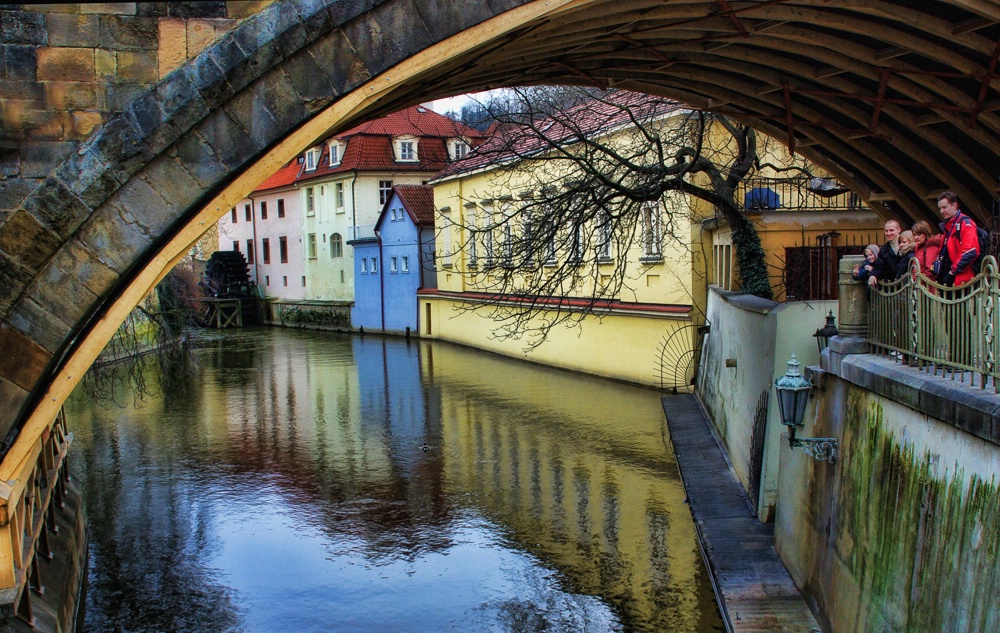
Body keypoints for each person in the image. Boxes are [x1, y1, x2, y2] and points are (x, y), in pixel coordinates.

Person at [935, 191, 979, 288]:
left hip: (962, 279)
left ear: (954, 205)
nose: (942, 211)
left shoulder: (965, 224)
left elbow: (971, 251)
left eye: (944, 207)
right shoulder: (948, 226)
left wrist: (952, 272)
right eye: (940, 208)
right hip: (951, 278)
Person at [868, 219, 903, 287]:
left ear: (899, 230)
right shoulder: (884, 249)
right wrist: (873, 275)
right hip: (892, 286)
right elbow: (880, 266)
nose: (888, 233)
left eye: (891, 230)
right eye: (886, 231)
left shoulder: (907, 244)